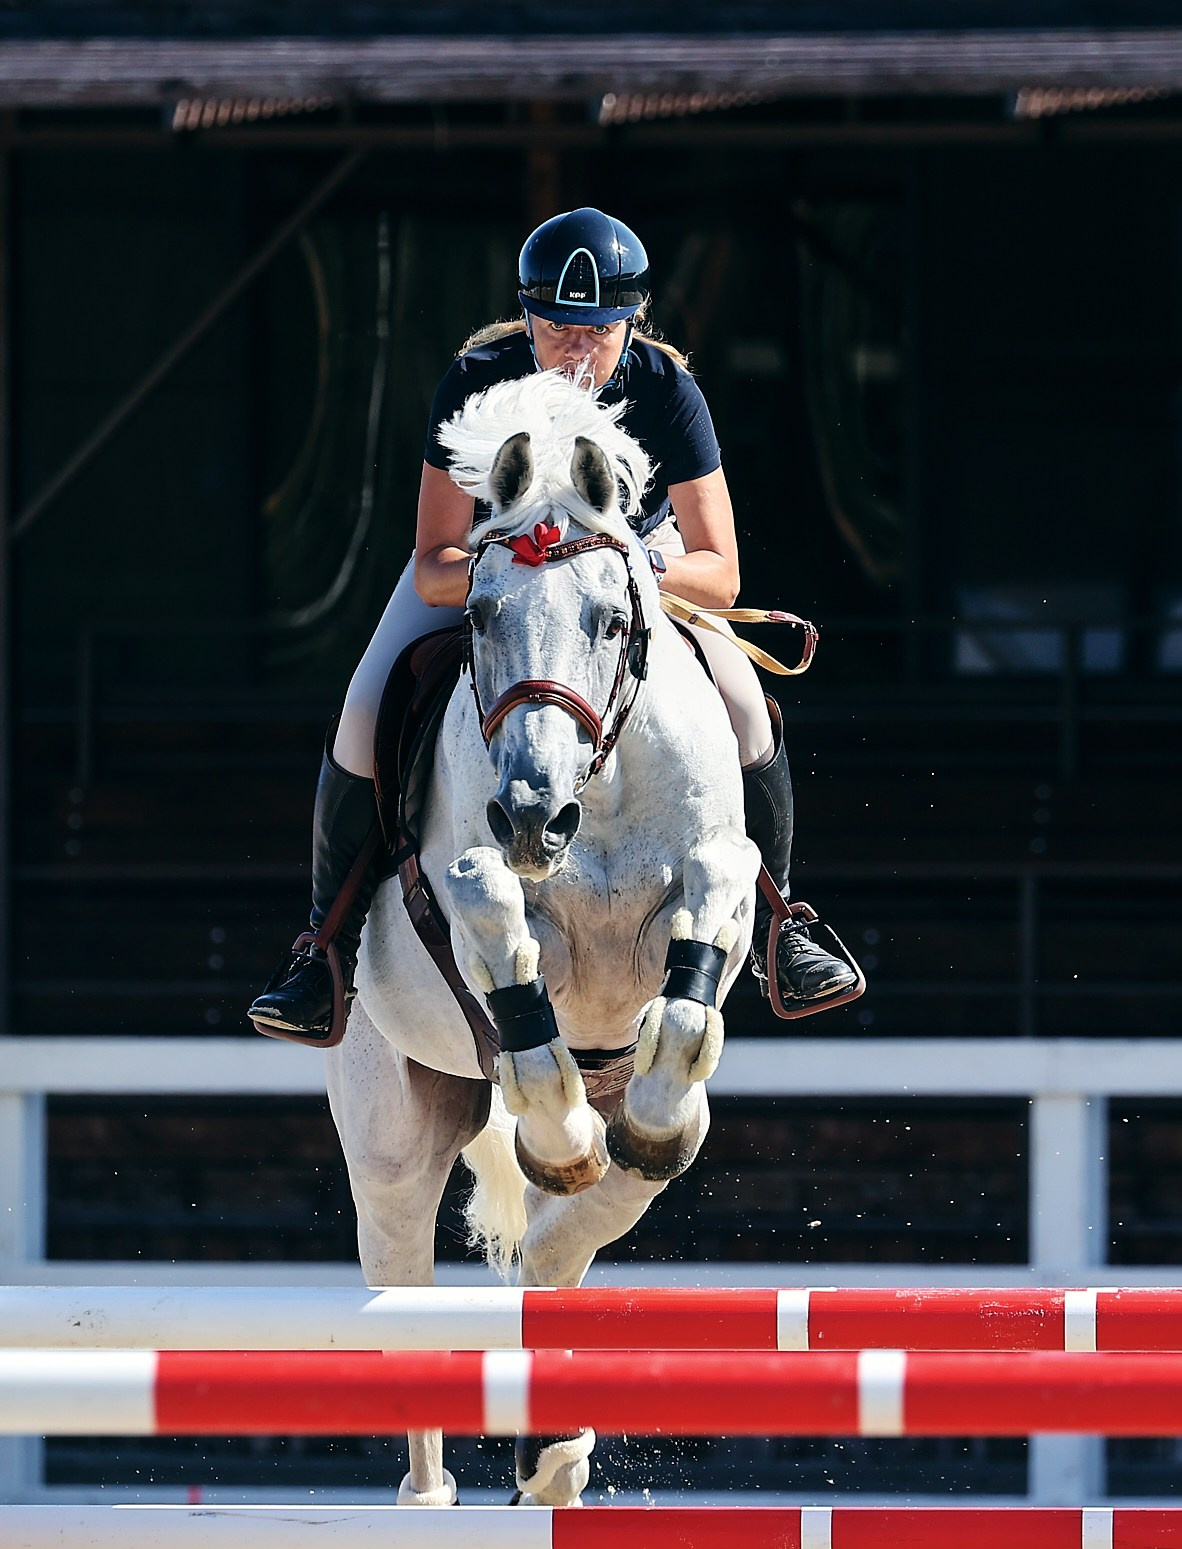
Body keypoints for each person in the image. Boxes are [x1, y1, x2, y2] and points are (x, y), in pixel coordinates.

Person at [249, 207, 861, 1045]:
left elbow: (720, 571)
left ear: (630, 323)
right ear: (527, 319)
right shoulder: (476, 378)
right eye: (556, 328)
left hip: (636, 569)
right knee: (362, 712)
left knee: (748, 708)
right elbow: (433, 561)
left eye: (598, 332)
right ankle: (322, 950)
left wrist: (626, 566)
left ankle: (784, 929)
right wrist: (513, 564)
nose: (577, 352)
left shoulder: (667, 390)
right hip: (495, 568)